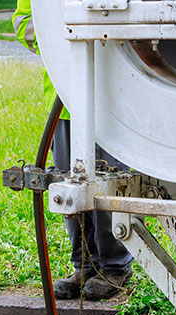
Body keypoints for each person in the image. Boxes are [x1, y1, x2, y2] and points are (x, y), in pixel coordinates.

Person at [13, 3, 134, 300]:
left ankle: (115, 266)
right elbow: (23, 21)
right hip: (66, 98)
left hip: (115, 98)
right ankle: (84, 264)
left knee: (110, 185)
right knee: (72, 186)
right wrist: (61, 33)